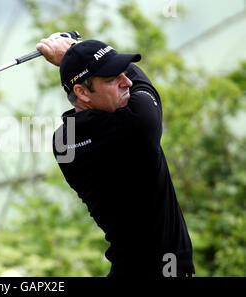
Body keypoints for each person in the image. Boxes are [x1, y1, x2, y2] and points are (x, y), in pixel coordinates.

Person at [36, 34, 195, 278]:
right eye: (113, 78)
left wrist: (78, 60)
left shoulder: (63, 142)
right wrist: (74, 50)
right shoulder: (137, 125)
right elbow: (143, 85)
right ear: (82, 92)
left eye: (122, 73)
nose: (126, 82)